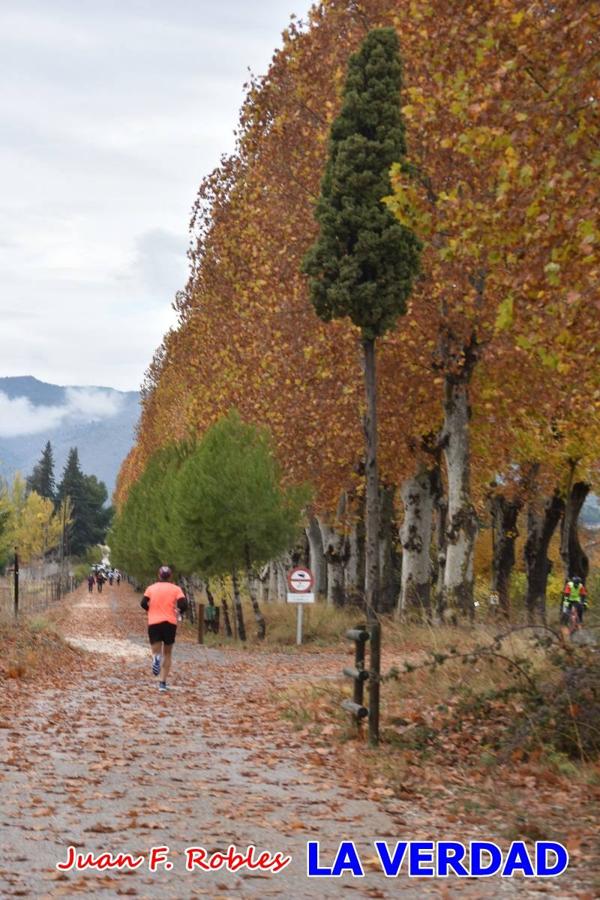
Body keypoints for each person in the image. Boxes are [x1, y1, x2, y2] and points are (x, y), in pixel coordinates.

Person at [140, 566, 188, 692]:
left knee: (156, 651)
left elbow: (143, 603)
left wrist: (149, 610)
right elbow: (184, 604)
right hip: (170, 623)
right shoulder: (176, 589)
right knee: (168, 653)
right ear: (170, 576)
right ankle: (162, 683)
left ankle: (156, 658)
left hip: (154, 622)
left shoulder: (151, 588)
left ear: (159, 575)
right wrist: (179, 611)